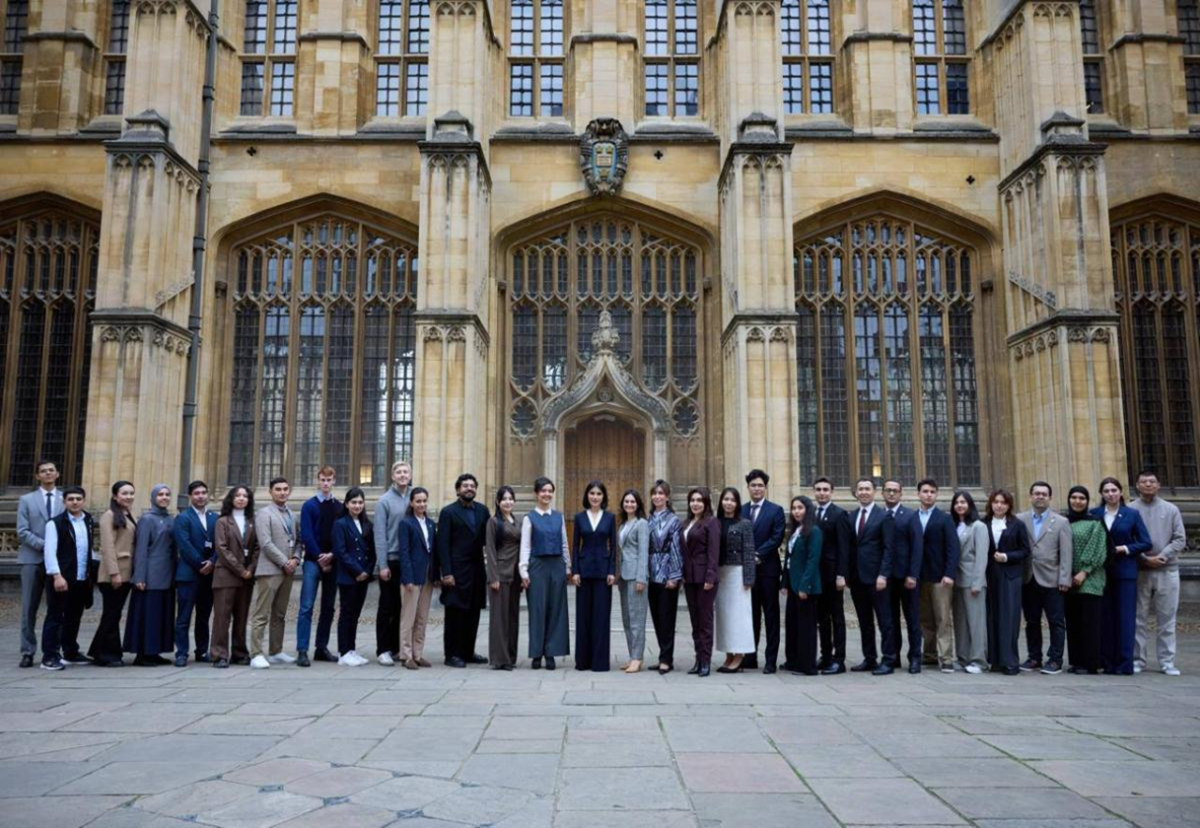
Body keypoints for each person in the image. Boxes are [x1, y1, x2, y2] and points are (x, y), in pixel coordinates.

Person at [1091, 477, 1152, 675]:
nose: (1110, 494)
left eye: (1114, 490)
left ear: (1120, 492)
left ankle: (1124, 663)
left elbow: (1145, 542)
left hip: (1125, 571)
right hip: (1100, 572)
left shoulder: (1131, 514)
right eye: (1106, 491)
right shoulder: (1094, 514)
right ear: (1101, 494)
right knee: (1105, 618)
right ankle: (1107, 661)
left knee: (1125, 618)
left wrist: (1124, 548)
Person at [1129, 470, 1186, 676]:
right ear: (1137, 486)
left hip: (1167, 569)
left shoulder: (1171, 509)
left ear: (1158, 485)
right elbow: (1127, 538)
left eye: (1152, 481)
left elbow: (1179, 539)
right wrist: (1144, 558)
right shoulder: (1130, 509)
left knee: (1167, 618)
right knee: (1138, 618)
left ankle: (1167, 661)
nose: (1148, 485)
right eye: (1144, 482)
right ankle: (1138, 660)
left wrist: (1162, 556)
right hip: (1140, 570)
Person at [1017, 481, 1073, 675]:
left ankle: (1055, 659)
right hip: (1028, 577)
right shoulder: (1020, 519)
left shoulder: (1061, 522)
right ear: (1030, 496)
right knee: (1031, 621)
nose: (1040, 497)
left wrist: (1065, 579)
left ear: (1050, 498)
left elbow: (1066, 553)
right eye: (1037, 493)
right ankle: (1034, 657)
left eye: (1044, 494)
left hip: (1052, 578)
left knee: (1056, 621)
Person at [436, 473, 490, 668]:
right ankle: (452, 654)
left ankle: (468, 652)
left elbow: (488, 539)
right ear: (458, 489)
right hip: (456, 570)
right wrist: (446, 572)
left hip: (476, 569)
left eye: (472, 486)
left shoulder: (483, 511)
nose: (469, 488)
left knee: (473, 612)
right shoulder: (448, 512)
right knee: (455, 613)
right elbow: (442, 544)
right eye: (465, 486)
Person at [40, 486, 95, 670]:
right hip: (61, 577)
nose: (75, 502)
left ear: (84, 501)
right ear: (64, 502)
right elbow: (49, 551)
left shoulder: (88, 520)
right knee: (55, 617)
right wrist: (57, 575)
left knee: (74, 616)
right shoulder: (55, 523)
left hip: (81, 577)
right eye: (71, 499)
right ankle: (49, 656)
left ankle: (70, 652)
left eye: (78, 499)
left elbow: (87, 549)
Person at [124, 484, 177, 666]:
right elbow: (140, 550)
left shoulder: (170, 519)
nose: (164, 497)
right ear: (153, 497)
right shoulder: (147, 519)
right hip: (150, 574)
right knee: (147, 614)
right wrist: (139, 577)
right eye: (160, 494)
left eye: (167, 494)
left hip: (167, 574)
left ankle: (154, 651)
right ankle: (142, 653)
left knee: (161, 614)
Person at [250, 477, 301, 669]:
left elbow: (298, 541)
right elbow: (265, 543)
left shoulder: (292, 515)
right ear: (270, 492)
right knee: (261, 613)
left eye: (285, 489)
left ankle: (276, 651)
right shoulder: (264, 514)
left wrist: (295, 559)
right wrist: (284, 562)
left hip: (288, 570)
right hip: (270, 570)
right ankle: (256, 653)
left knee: (279, 613)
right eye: (278, 489)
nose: (282, 492)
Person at [521, 477, 571, 670]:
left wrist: (567, 567)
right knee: (537, 610)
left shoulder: (559, 517)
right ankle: (536, 653)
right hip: (537, 567)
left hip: (557, 565)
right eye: (543, 490)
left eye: (550, 491)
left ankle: (551, 653)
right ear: (536, 493)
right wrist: (523, 571)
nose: (547, 494)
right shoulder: (529, 518)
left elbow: (564, 543)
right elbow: (526, 546)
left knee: (556, 610)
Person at [16, 460, 62, 668]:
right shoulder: (27, 500)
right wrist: (46, 545)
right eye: (43, 471)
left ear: (57, 474)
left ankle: (53, 649)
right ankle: (27, 651)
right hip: (32, 559)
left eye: (51, 470)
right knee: (29, 608)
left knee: (57, 608)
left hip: (58, 563)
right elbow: (22, 530)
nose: (48, 473)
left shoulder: (66, 498)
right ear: (37, 476)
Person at [847, 479, 895, 675]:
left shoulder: (884, 516)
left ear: (875, 492)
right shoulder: (851, 516)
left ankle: (889, 660)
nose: (864, 492)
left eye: (867, 489)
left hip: (877, 578)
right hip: (857, 578)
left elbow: (889, 548)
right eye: (860, 489)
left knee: (885, 621)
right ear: (856, 493)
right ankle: (870, 658)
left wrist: (883, 574)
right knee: (864, 621)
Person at [297, 466, 343, 667]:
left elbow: (340, 535)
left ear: (334, 481)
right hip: (312, 562)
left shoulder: (339, 507)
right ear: (318, 480)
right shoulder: (309, 506)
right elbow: (306, 534)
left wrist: (331, 555)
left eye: (329, 480)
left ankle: (321, 647)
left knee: (328, 607)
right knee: (306, 606)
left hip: (333, 561)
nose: (325, 483)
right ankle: (302, 649)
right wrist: (319, 558)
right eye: (323, 479)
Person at [741, 470, 785, 674]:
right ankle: (750, 657)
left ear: (765, 488)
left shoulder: (776, 510)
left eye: (760, 485)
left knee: (771, 616)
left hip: (768, 571)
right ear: (748, 487)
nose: (757, 489)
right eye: (753, 485)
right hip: (747, 572)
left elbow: (777, 537)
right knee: (751, 615)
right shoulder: (741, 510)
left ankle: (770, 660)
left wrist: (757, 554)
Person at [572, 480, 618, 672]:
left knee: (601, 617)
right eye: (592, 493)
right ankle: (583, 661)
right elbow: (575, 545)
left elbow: (613, 546)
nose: (595, 497)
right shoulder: (579, 517)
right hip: (583, 572)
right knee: (583, 617)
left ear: (603, 497)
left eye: (599, 494)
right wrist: (575, 571)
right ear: (587, 496)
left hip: (603, 573)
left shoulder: (610, 517)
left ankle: (599, 662)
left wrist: (612, 571)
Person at [89, 481, 136, 667]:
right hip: (113, 574)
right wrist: (114, 573)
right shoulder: (108, 516)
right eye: (124, 493)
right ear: (115, 496)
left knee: (113, 614)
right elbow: (107, 547)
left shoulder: (128, 514)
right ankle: (105, 654)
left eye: (131, 493)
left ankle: (103, 651)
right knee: (111, 614)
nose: (129, 496)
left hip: (126, 572)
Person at [916, 479, 960, 674]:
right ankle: (929, 654)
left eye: (932, 492)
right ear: (918, 494)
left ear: (936, 495)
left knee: (943, 618)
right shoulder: (913, 517)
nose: (928, 495)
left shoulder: (944, 519)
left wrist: (949, 574)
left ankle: (947, 657)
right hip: (919, 577)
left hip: (940, 577)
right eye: (925, 491)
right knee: (925, 619)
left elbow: (953, 548)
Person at [211, 486, 258, 668]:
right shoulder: (222, 521)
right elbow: (222, 549)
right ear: (231, 499)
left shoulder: (252, 521)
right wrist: (241, 570)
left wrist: (251, 569)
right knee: (222, 617)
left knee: (242, 616)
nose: (241, 498)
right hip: (226, 574)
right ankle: (219, 654)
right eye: (237, 495)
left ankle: (239, 652)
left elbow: (257, 548)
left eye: (245, 496)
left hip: (247, 577)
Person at [985, 489, 1030, 675]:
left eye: (1003, 502)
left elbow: (1025, 550)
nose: (999, 505)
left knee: (1009, 618)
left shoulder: (1017, 524)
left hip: (1010, 575)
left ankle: (1010, 661)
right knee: (992, 617)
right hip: (990, 575)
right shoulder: (983, 523)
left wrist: (1007, 556)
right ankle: (995, 660)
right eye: (996, 502)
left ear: (1009, 505)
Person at [172, 480, 217, 667]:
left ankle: (202, 650)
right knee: (184, 616)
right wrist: (201, 564)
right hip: (189, 574)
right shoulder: (183, 518)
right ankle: (181, 653)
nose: (201, 496)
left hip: (209, 575)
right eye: (197, 493)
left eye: (203, 492)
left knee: (203, 616)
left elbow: (220, 542)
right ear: (190, 496)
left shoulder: (215, 517)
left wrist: (212, 561)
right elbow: (184, 545)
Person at [1064, 486, 1108, 675]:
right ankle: (1076, 661)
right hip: (1068, 579)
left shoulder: (1095, 522)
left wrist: (1084, 571)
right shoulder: (1064, 521)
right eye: (1074, 497)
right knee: (1073, 622)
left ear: (1087, 501)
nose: (1077, 501)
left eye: (1082, 498)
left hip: (1090, 579)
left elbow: (1098, 548)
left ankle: (1090, 663)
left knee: (1090, 622)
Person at [882, 480, 924, 674]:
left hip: (907, 577)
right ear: (882, 493)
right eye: (888, 490)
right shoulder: (880, 515)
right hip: (887, 578)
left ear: (901, 494)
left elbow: (917, 547)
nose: (891, 494)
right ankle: (893, 657)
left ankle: (915, 657)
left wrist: (913, 574)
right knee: (890, 620)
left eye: (895, 491)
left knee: (912, 619)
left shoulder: (910, 515)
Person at [374, 461, 412, 666]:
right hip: (392, 559)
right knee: (387, 606)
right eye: (399, 472)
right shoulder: (384, 501)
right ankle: (383, 649)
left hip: (410, 560)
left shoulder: (415, 496)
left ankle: (397, 647)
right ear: (392, 476)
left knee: (403, 607)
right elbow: (380, 535)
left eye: (406, 471)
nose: (403, 475)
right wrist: (382, 565)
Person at [332, 487, 376, 666]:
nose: (357, 506)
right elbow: (341, 551)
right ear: (346, 504)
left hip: (364, 575)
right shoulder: (340, 524)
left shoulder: (367, 524)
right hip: (348, 576)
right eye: (354, 502)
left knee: (356, 614)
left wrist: (367, 571)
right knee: (346, 614)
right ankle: (343, 652)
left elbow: (372, 551)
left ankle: (351, 649)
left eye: (360, 502)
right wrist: (358, 571)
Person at [812, 477, 850, 675]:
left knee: (837, 617)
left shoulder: (839, 514)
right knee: (821, 618)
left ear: (832, 492)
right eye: (818, 489)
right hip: (816, 575)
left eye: (825, 489)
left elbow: (844, 547)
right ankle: (825, 655)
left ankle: (839, 659)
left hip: (833, 574)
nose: (822, 493)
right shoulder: (811, 513)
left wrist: (842, 574)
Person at [715, 487, 755, 673]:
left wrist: (749, 577)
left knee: (739, 616)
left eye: (732, 500)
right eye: (726, 499)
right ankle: (728, 654)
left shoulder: (744, 523)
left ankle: (739, 655)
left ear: (737, 503)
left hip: (737, 573)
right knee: (724, 616)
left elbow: (749, 550)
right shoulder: (716, 522)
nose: (728, 503)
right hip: (720, 573)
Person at [681, 487, 720, 677]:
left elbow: (714, 551)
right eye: (692, 500)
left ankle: (705, 661)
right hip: (689, 578)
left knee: (705, 621)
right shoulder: (686, 523)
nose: (695, 503)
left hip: (705, 578)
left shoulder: (711, 522)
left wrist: (710, 577)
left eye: (699, 500)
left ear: (706, 503)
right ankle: (698, 659)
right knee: (695, 621)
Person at [781, 495, 823, 675]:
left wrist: (804, 586)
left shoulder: (814, 531)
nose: (796, 511)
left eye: (800, 508)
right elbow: (789, 559)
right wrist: (784, 582)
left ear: (807, 510)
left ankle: (807, 665)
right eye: (794, 508)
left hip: (806, 587)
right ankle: (793, 660)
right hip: (793, 584)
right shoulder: (795, 531)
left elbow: (813, 560)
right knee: (793, 624)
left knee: (806, 627)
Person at [399, 487, 438, 669]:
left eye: (424, 501)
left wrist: (435, 575)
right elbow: (404, 552)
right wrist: (407, 578)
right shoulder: (406, 523)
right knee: (409, 618)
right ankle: (406, 655)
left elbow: (433, 551)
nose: (422, 504)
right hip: (412, 577)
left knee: (422, 617)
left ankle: (418, 653)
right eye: (418, 501)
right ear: (412, 503)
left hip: (427, 575)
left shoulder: (430, 523)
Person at [646, 481, 683, 674]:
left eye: (661, 493)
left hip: (667, 574)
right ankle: (663, 654)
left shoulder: (674, 520)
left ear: (667, 497)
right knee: (657, 618)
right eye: (654, 493)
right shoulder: (648, 519)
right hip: (651, 574)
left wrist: (674, 576)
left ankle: (666, 659)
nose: (657, 497)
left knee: (667, 618)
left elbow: (676, 549)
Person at [950, 491, 989, 674]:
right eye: (957, 502)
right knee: (960, 622)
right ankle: (962, 658)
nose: (960, 505)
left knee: (976, 622)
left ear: (970, 505)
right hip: (956, 580)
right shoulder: (954, 525)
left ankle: (979, 660)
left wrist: (978, 582)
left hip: (972, 579)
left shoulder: (978, 526)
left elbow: (982, 556)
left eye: (963, 502)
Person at [485, 486, 521, 671]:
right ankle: (500, 659)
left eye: (511, 498)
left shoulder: (517, 521)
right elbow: (490, 549)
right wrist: (493, 577)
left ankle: (511, 657)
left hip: (515, 574)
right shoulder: (493, 522)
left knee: (512, 617)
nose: (508, 502)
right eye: (504, 499)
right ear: (498, 502)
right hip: (500, 573)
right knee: (499, 619)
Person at [616, 489, 650, 673]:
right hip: (623, 576)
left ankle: (638, 657)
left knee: (637, 619)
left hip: (636, 576)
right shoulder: (622, 525)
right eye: (626, 501)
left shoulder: (642, 524)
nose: (629, 504)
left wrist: (641, 578)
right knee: (627, 619)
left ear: (638, 505)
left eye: (632, 502)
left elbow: (643, 552)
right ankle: (632, 656)